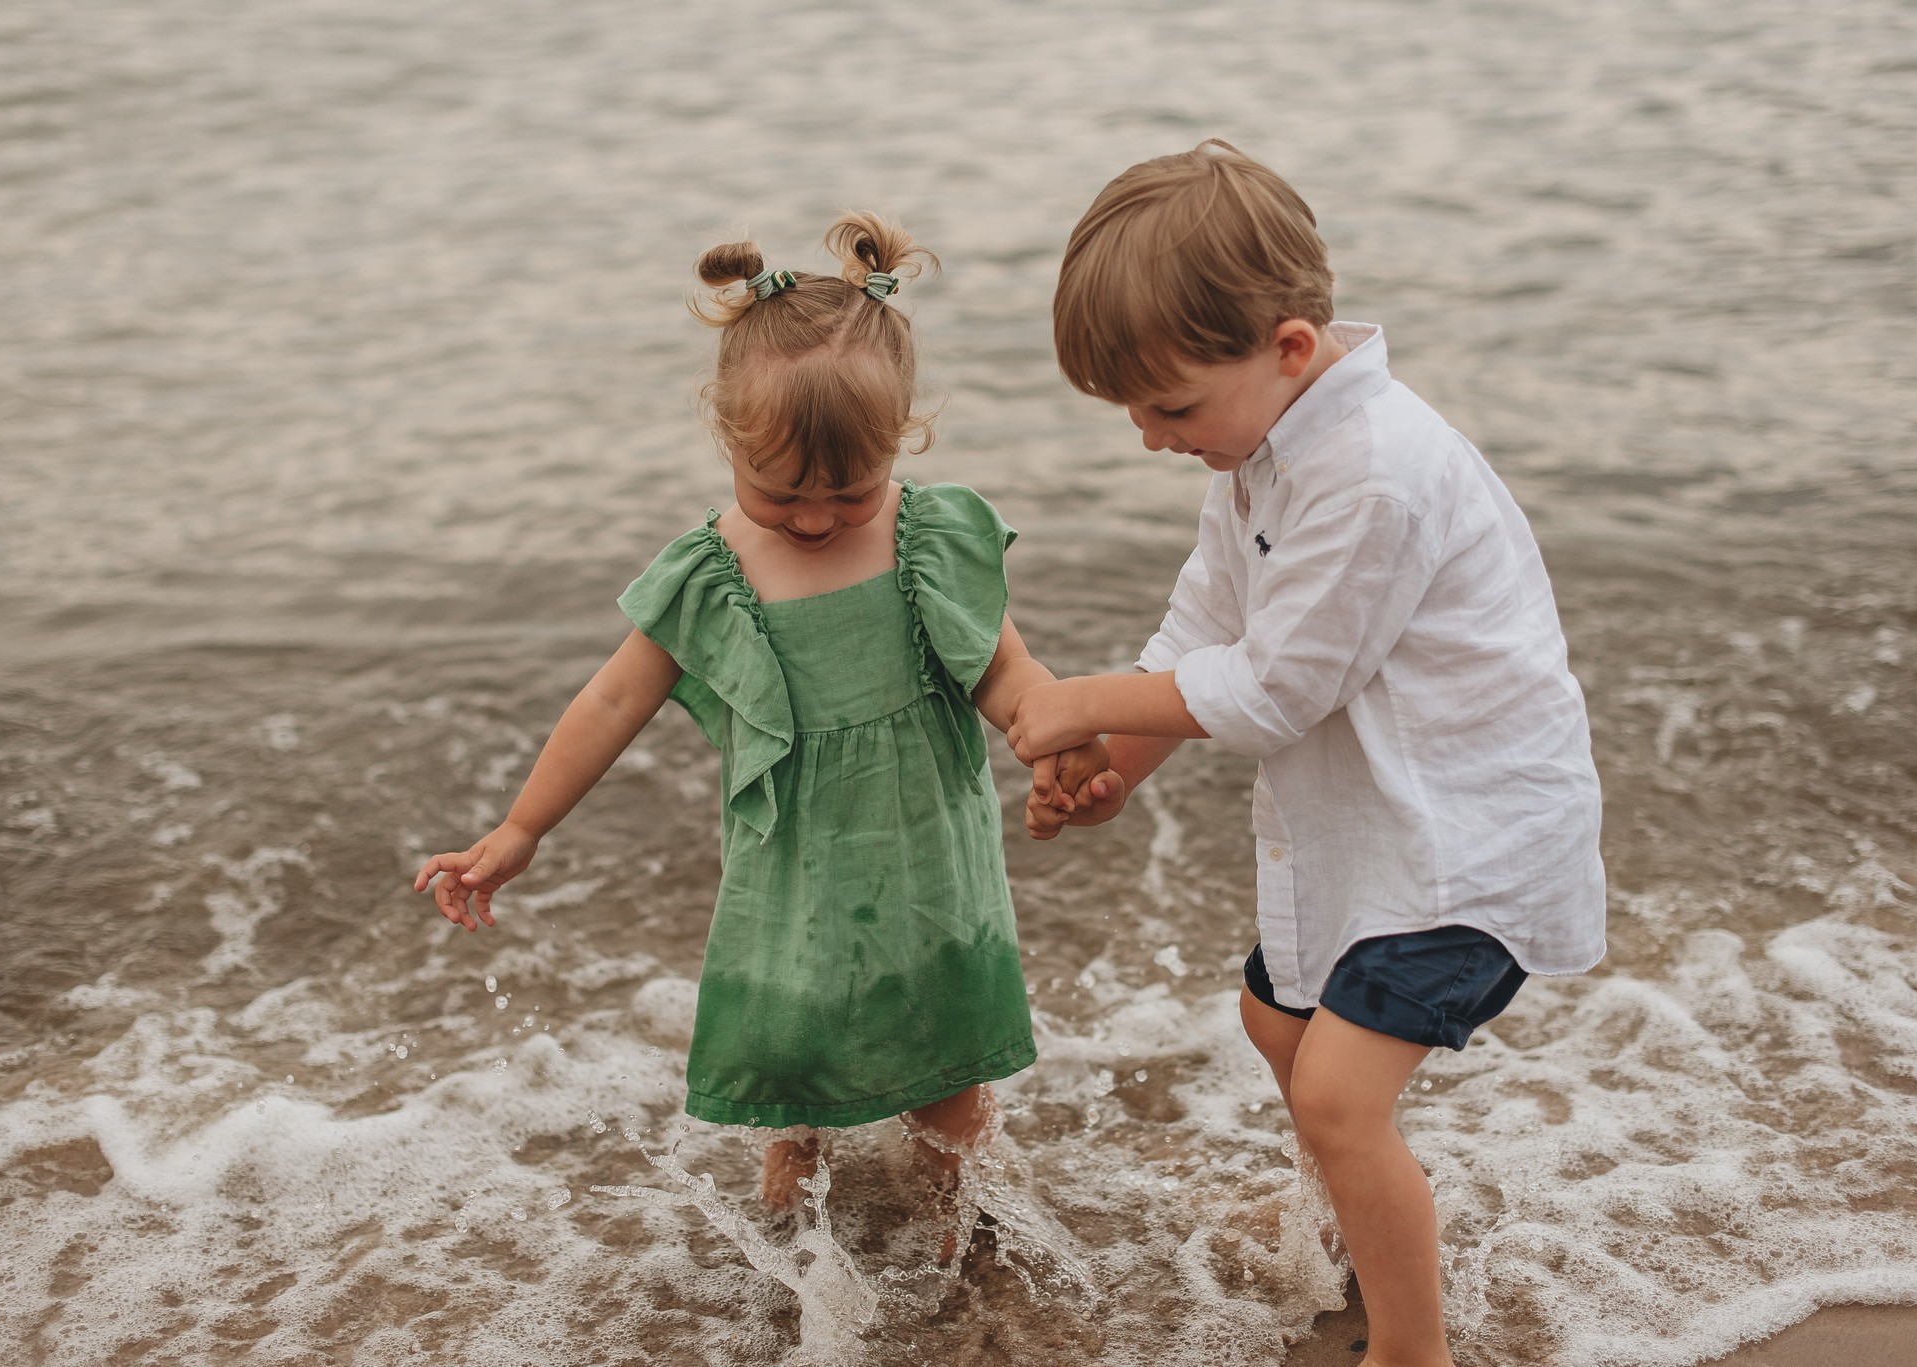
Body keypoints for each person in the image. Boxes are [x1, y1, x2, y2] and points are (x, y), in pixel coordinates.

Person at [1012, 142, 1607, 1367]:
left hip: (1467, 839)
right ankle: (1348, 1219)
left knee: (1338, 1093)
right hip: (1379, 829)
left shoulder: (1374, 472)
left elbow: (1280, 685)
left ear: (1288, 346)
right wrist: (1115, 758)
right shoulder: (1259, 450)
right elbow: (1205, 626)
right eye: (1130, 410)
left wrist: (1075, 700)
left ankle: (1409, 1349)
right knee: (1274, 1023)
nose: (1147, 437)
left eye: (1168, 406)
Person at [415, 213, 1112, 1226]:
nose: (819, 519)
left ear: (900, 439)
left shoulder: (926, 538)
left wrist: (1048, 733)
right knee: (794, 1085)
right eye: (782, 493)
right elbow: (611, 698)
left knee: (948, 1087)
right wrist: (521, 827)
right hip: (795, 866)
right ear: (727, 435)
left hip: (925, 855)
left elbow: (1001, 668)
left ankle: (980, 1261)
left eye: (851, 491)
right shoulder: (713, 572)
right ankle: (782, 1263)